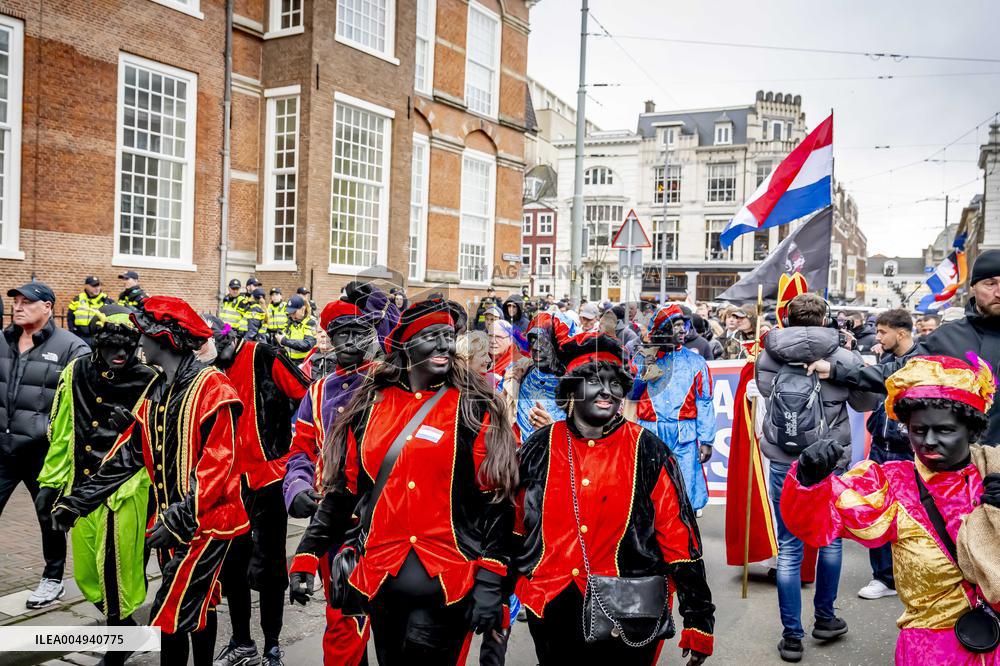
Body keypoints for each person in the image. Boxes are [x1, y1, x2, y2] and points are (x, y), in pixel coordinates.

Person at [289, 298, 518, 664]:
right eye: (431, 336)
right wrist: (306, 554)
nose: (444, 345)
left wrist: (493, 577)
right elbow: (345, 492)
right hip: (382, 582)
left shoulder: (473, 406)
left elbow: (498, 500)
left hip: (448, 582)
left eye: (448, 336)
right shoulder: (370, 406)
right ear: (405, 345)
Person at [51, 296, 247, 665]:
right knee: (197, 607)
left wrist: (177, 518)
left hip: (207, 524)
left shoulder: (213, 388)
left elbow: (217, 466)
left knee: (168, 614)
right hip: (171, 526)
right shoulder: (158, 390)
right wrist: (77, 502)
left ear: (166, 339)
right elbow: (128, 454)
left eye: (144, 336)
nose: (138, 344)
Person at [781, 354, 1000, 665]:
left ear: (972, 430)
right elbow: (817, 526)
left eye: (945, 430)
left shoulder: (994, 471)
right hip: (931, 651)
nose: (929, 441)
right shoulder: (892, 483)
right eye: (919, 430)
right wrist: (808, 479)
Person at [515, 332, 715, 665]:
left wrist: (698, 619)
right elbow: (516, 526)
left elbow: (681, 539)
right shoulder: (539, 447)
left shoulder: (648, 450)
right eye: (593, 380)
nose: (606, 390)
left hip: (630, 615)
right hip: (552, 607)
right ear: (570, 389)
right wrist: (495, 594)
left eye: (614, 382)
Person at [755, 293, 879, 663]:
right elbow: (864, 404)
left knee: (789, 547)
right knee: (829, 540)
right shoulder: (843, 356)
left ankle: (791, 637)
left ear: (788, 317)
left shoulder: (769, 353)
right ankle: (825, 618)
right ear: (825, 317)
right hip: (829, 460)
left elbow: (766, 393)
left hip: (782, 458)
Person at [36, 306, 156, 665]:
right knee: (88, 572)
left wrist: (138, 430)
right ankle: (130, 628)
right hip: (81, 486)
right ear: (99, 345)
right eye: (111, 348)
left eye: (126, 348)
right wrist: (50, 482)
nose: (119, 355)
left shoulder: (150, 378)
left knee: (116, 569)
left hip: (126, 491)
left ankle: (117, 646)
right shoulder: (76, 372)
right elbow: (63, 430)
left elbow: (160, 441)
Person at [285, 285, 398, 666]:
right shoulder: (317, 391)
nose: (349, 342)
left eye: (358, 333)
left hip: (383, 519)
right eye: (341, 334)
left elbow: (401, 334)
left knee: (390, 621)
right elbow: (300, 449)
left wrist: (378, 299)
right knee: (343, 617)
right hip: (331, 518)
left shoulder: (389, 380)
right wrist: (297, 486)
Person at [809, 249, 1000, 444]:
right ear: (974, 286)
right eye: (990, 283)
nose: (999, 292)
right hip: (960, 462)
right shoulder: (947, 338)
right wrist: (836, 371)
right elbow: (896, 373)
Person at [206, 315, 310, 666]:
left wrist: (294, 452)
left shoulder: (262, 354)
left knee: (270, 569)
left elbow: (307, 397)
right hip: (226, 482)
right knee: (232, 567)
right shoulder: (206, 369)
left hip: (268, 480)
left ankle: (272, 646)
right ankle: (241, 641)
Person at [0, 281, 89, 608]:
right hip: (4, 450)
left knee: (49, 518)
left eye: (28, 302)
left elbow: (83, 401)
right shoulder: (2, 340)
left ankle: (53, 579)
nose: (19, 307)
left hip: (44, 454)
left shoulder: (71, 347)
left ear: (48, 307)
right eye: (17, 301)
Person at [627, 305, 717, 512]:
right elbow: (631, 394)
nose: (683, 330)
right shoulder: (643, 358)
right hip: (650, 433)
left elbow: (704, 401)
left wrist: (706, 440)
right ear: (663, 329)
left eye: (683, 325)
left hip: (684, 436)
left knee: (684, 489)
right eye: (676, 325)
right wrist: (643, 372)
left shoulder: (696, 362)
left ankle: (685, 533)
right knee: (649, 489)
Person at [858, 309, 919, 601]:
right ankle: (883, 576)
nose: (877, 337)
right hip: (881, 447)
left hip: (907, 451)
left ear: (902, 333)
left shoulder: (919, 362)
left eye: (882, 332)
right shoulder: (888, 361)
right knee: (877, 511)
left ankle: (908, 574)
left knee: (909, 515)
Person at [506, 312, 571, 445]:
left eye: (544, 342)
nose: (535, 347)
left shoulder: (577, 387)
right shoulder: (519, 372)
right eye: (533, 340)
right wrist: (508, 388)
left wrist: (552, 431)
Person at [67, 276, 113, 346]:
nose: (97, 288)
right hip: (80, 337)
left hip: (99, 338)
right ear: (86, 286)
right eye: (94, 286)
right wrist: (72, 330)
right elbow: (70, 317)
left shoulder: (107, 300)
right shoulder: (78, 299)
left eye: (98, 285)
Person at [275, 295, 316, 361]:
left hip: (304, 363)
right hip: (289, 361)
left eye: (294, 312)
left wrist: (284, 341)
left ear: (303, 309)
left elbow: (307, 344)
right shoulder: (289, 321)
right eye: (290, 312)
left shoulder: (311, 322)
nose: (292, 315)